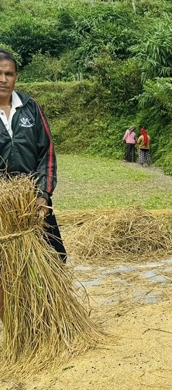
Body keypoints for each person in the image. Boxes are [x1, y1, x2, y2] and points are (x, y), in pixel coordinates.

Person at [0, 49, 66, 320]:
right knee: (8, 269)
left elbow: (46, 151)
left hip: (34, 201)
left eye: (9, 73)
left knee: (55, 257)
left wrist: (43, 194)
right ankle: (16, 322)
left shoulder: (30, 106)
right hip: (4, 207)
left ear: (16, 77)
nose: (3, 79)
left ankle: (52, 315)